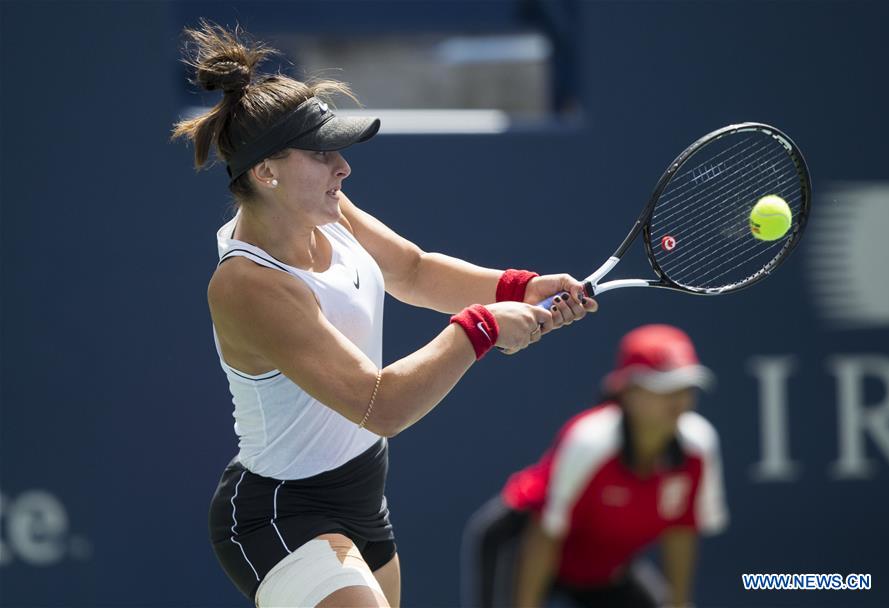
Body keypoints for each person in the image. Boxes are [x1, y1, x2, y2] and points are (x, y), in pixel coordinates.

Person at [171, 21, 597, 608]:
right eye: (321, 154)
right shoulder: (247, 285)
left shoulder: (328, 209)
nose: (342, 168)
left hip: (363, 493)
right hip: (278, 515)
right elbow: (380, 404)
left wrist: (518, 288)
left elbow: (414, 272)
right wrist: (484, 326)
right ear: (266, 171)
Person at [462, 324, 728, 608]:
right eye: (663, 387)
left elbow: (681, 531)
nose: (678, 400)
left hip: (603, 569)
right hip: (521, 545)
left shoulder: (700, 447)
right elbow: (545, 535)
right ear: (628, 392)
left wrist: (680, 604)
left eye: (685, 387)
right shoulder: (589, 442)